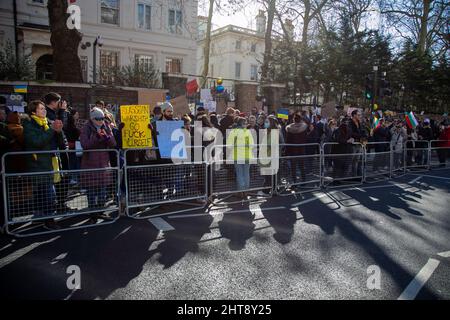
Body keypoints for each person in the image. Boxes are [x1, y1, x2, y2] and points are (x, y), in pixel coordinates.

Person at [23, 100, 64, 230]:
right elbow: (37, 142)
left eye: (44, 109)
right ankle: (48, 220)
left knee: (44, 194)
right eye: (41, 109)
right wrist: (52, 130)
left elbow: (60, 143)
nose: (44, 111)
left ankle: (42, 219)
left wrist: (59, 131)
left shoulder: (47, 123)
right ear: (33, 112)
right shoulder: (29, 125)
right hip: (37, 165)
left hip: (49, 163)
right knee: (47, 194)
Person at [80, 107, 117, 223]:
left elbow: (113, 143)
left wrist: (106, 136)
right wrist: (97, 137)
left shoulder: (106, 125)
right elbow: (84, 144)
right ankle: (93, 213)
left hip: (104, 163)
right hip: (90, 163)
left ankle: (101, 211)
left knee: (102, 189)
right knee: (91, 190)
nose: (101, 120)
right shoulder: (86, 128)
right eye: (98, 118)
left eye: (102, 118)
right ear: (92, 119)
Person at [226, 117, 254, 199]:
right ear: (242, 124)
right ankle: (245, 191)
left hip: (237, 155)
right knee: (246, 173)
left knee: (239, 174)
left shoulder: (233, 132)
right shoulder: (247, 132)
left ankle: (241, 192)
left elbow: (229, 145)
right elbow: (252, 145)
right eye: (245, 123)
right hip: (247, 155)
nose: (246, 125)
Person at [285, 114, 308, 184]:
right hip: (301, 150)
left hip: (293, 151)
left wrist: (286, 151)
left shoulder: (289, 128)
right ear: (300, 119)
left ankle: (294, 182)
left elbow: (287, 140)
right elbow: (305, 138)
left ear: (293, 120)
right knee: (302, 166)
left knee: (293, 168)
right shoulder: (304, 127)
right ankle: (304, 181)